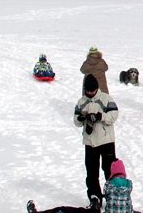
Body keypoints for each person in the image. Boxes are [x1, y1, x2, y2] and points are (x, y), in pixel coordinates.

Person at [26, 159, 137, 213]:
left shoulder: (108, 185)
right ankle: (94, 206)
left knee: (69, 211)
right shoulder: (129, 185)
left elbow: (107, 194)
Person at [75, 74, 119, 209]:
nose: (90, 93)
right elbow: (76, 121)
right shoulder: (81, 102)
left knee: (110, 170)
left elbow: (114, 115)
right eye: (88, 91)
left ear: (96, 88)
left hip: (106, 141)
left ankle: (113, 196)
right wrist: (82, 119)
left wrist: (100, 116)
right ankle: (95, 198)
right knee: (92, 172)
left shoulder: (106, 98)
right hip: (90, 142)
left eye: (92, 90)